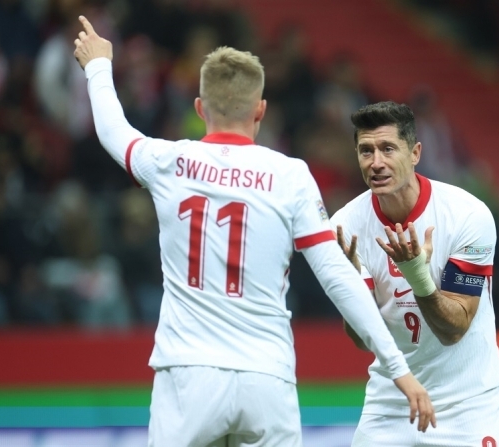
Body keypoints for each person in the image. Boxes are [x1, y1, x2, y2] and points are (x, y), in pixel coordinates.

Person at [72, 16, 435, 447]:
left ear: (200, 108)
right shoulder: (290, 176)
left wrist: (98, 65)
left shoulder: (168, 161)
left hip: (189, 372)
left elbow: (112, 130)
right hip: (267, 377)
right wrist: (399, 369)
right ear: (260, 110)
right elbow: (337, 275)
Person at [331, 101, 499, 447]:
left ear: (415, 153)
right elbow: (362, 339)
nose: (376, 162)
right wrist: (354, 292)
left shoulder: (467, 215)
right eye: (366, 151)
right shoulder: (344, 226)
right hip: (390, 402)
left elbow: (454, 328)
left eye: (387, 149)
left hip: (466, 404)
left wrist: (417, 275)